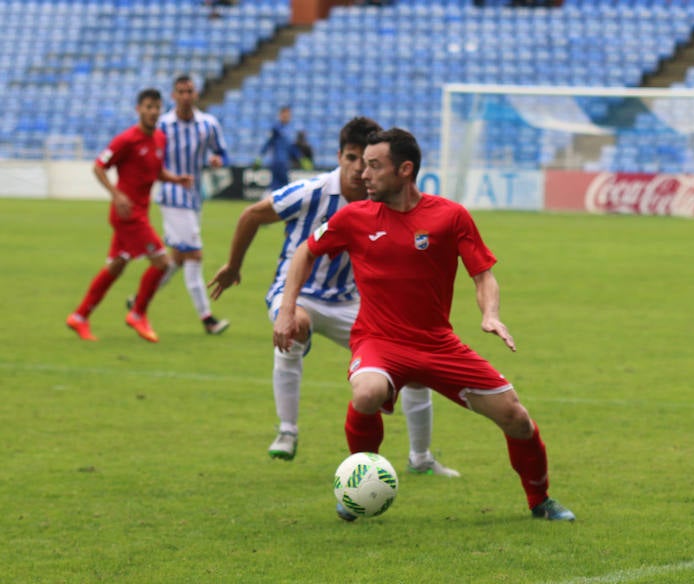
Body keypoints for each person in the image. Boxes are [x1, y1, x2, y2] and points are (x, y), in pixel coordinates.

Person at [272, 128, 575, 522]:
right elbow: (304, 253)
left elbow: (482, 274)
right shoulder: (353, 217)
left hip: (437, 344)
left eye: (374, 166)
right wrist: (286, 308)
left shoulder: (450, 216)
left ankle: (541, 500)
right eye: (362, 165)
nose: (364, 175)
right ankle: (359, 486)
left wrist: (490, 314)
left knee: (516, 416)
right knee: (366, 392)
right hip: (378, 340)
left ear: (405, 170)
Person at [208, 117, 458, 476]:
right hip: (298, 292)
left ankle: (421, 457)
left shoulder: (382, 199)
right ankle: (287, 432)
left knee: (414, 362)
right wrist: (233, 266)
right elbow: (252, 214)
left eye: (366, 161)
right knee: (296, 325)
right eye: (352, 158)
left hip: (351, 302)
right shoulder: (310, 192)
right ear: (339, 156)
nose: (359, 169)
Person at [66, 88, 193, 343]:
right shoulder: (126, 140)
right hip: (127, 215)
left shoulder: (159, 138)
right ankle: (138, 313)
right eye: (148, 107)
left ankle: (79, 317)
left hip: (140, 213)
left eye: (157, 107)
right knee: (162, 263)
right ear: (138, 110)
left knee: (116, 265)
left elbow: (155, 172)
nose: (153, 112)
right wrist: (116, 194)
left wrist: (175, 179)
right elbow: (98, 166)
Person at [153, 74, 230, 335]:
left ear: (196, 94)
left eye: (189, 91)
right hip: (172, 195)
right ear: (173, 96)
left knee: (176, 258)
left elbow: (222, 151)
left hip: (195, 197)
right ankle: (208, 319)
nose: (185, 96)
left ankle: (139, 302)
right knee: (195, 255)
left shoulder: (208, 124)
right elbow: (152, 158)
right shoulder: (163, 125)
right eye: (180, 92)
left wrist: (218, 159)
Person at [256, 106, 295, 192]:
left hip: (285, 162)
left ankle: (269, 200)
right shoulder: (276, 128)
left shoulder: (289, 130)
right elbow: (268, 143)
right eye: (285, 115)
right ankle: (267, 200)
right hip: (277, 161)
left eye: (288, 115)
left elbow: (291, 148)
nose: (287, 117)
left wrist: (300, 157)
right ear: (281, 115)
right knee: (279, 185)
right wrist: (260, 156)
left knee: (282, 185)